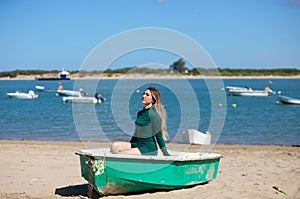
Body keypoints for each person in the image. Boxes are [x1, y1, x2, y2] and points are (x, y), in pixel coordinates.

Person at [110, 87, 170, 156]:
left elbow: (158, 136)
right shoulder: (140, 113)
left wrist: (165, 153)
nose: (143, 96)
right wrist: (130, 145)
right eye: (143, 94)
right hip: (136, 143)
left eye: (147, 95)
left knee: (122, 154)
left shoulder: (154, 114)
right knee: (114, 146)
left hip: (147, 148)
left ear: (153, 100)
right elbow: (137, 132)